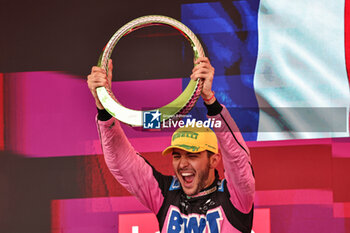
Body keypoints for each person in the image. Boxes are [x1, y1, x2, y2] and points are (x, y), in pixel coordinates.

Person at [87, 57, 255, 233]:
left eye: (192, 155)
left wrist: (211, 102)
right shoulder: (166, 193)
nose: (182, 164)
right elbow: (122, 163)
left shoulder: (235, 197)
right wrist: (104, 108)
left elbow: (238, 158)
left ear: (214, 160)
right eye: (177, 155)